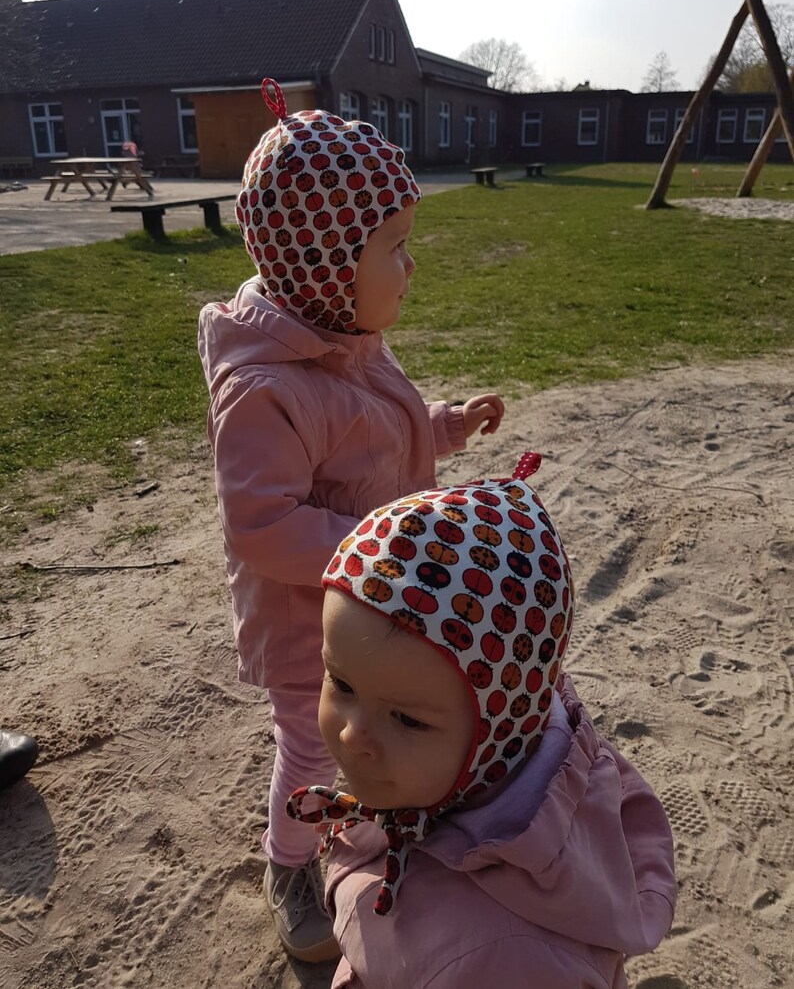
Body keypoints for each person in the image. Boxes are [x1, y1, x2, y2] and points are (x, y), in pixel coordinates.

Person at [197, 78, 504, 963]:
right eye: (394, 249)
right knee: (310, 744)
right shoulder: (266, 386)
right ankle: (287, 859)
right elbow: (261, 525)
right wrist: (380, 548)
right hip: (311, 624)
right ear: (329, 266)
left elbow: (386, 438)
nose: (411, 268)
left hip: (373, 603)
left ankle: (367, 816)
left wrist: (445, 422)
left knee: (372, 727)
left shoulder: (348, 338)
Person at [288, 454, 676, 988]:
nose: (353, 734)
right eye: (343, 684)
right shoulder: (442, 782)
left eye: (407, 719)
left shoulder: (506, 963)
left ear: (497, 733)